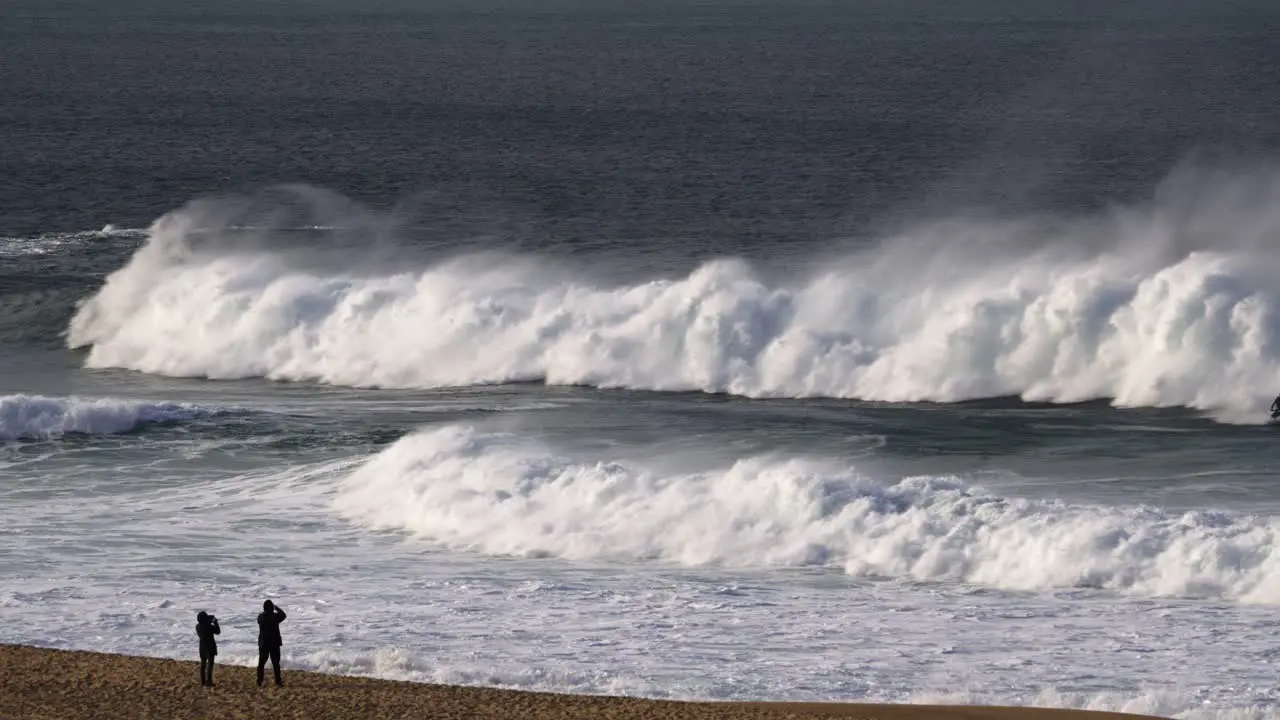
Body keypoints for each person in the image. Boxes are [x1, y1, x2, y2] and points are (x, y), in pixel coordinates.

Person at [256, 599, 287, 687]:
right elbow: (284, 615)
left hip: (263, 643)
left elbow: (259, 620)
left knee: (261, 663)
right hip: (274, 643)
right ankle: (278, 682)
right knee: (276, 663)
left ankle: (259, 681)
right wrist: (277, 608)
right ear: (271, 608)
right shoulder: (275, 617)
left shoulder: (261, 617)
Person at [195, 611, 220, 687]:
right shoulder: (208, 626)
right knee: (210, 665)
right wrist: (215, 622)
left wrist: (208, 621)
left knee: (203, 665)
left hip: (202, 647)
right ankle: (209, 682)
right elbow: (218, 631)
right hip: (210, 647)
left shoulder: (197, 626)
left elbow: (204, 625)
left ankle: (203, 682)